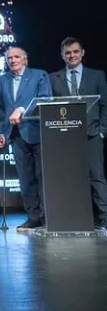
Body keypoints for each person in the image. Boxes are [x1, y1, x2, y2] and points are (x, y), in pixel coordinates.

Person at [49, 37, 107, 231]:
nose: (71, 55)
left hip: (92, 134)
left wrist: (102, 131)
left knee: (96, 177)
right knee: (68, 178)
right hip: (65, 137)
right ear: (62, 55)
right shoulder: (53, 78)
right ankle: (71, 217)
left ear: (82, 52)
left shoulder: (96, 75)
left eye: (75, 51)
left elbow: (105, 104)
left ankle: (104, 217)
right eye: (67, 52)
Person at [0, 47, 52, 231]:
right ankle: (33, 217)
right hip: (16, 135)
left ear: (25, 60)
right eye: (9, 58)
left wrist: (21, 109)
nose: (13, 60)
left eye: (16, 57)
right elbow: (1, 110)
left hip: (38, 132)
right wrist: (1, 133)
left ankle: (48, 217)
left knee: (43, 177)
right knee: (25, 179)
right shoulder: (2, 80)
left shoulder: (39, 75)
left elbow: (45, 99)